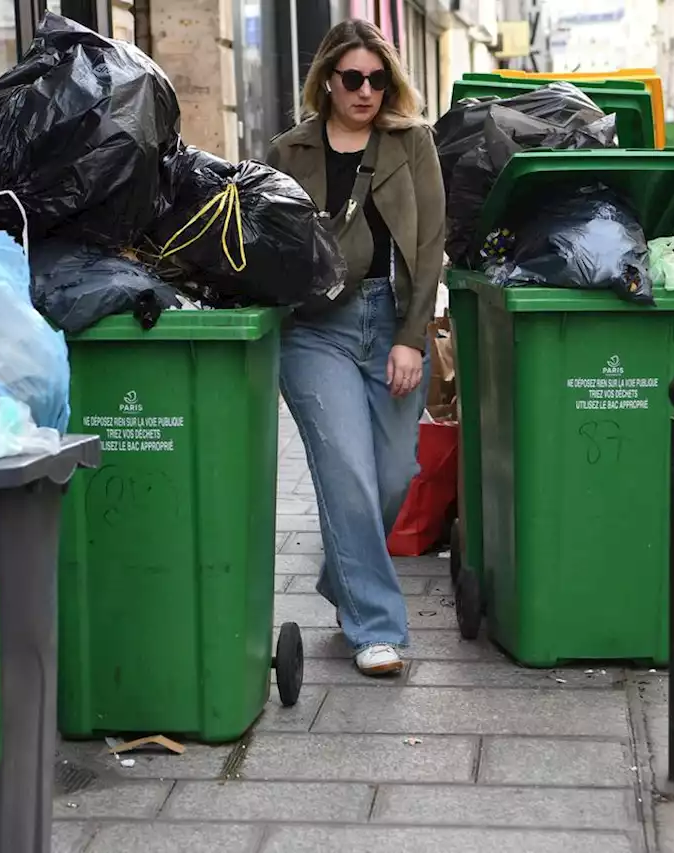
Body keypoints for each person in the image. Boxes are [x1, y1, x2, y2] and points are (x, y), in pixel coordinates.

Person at [266, 19, 442, 677]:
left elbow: (429, 248)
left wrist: (410, 339)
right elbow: (264, 241)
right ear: (328, 82)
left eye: (377, 78)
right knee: (347, 473)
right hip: (315, 331)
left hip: (390, 320)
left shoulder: (412, 143)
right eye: (352, 79)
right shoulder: (288, 152)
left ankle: (345, 578)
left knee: (394, 476)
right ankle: (374, 626)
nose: (365, 91)